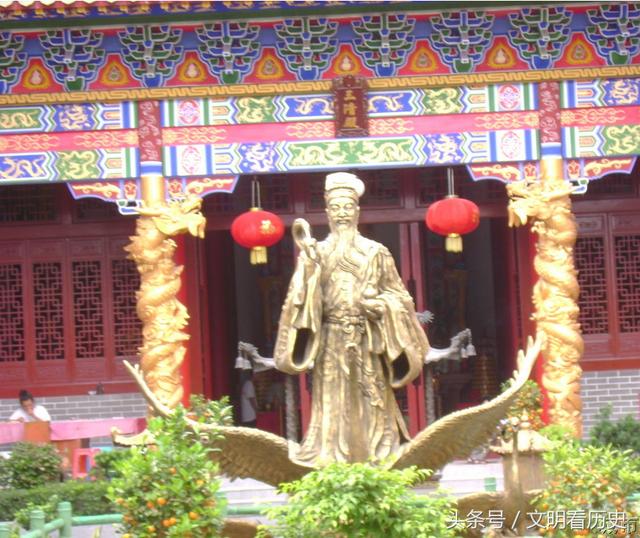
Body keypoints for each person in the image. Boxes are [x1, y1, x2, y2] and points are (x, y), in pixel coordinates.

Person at [274, 172, 429, 466]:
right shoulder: (316, 253)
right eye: (336, 208)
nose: (342, 214)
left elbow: (400, 296)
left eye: (347, 207)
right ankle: (331, 457)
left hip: (368, 338)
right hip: (331, 339)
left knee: (373, 396)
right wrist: (310, 272)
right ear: (327, 212)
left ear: (357, 211)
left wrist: (382, 306)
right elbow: (297, 300)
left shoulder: (376, 253)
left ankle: (379, 454)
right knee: (333, 400)